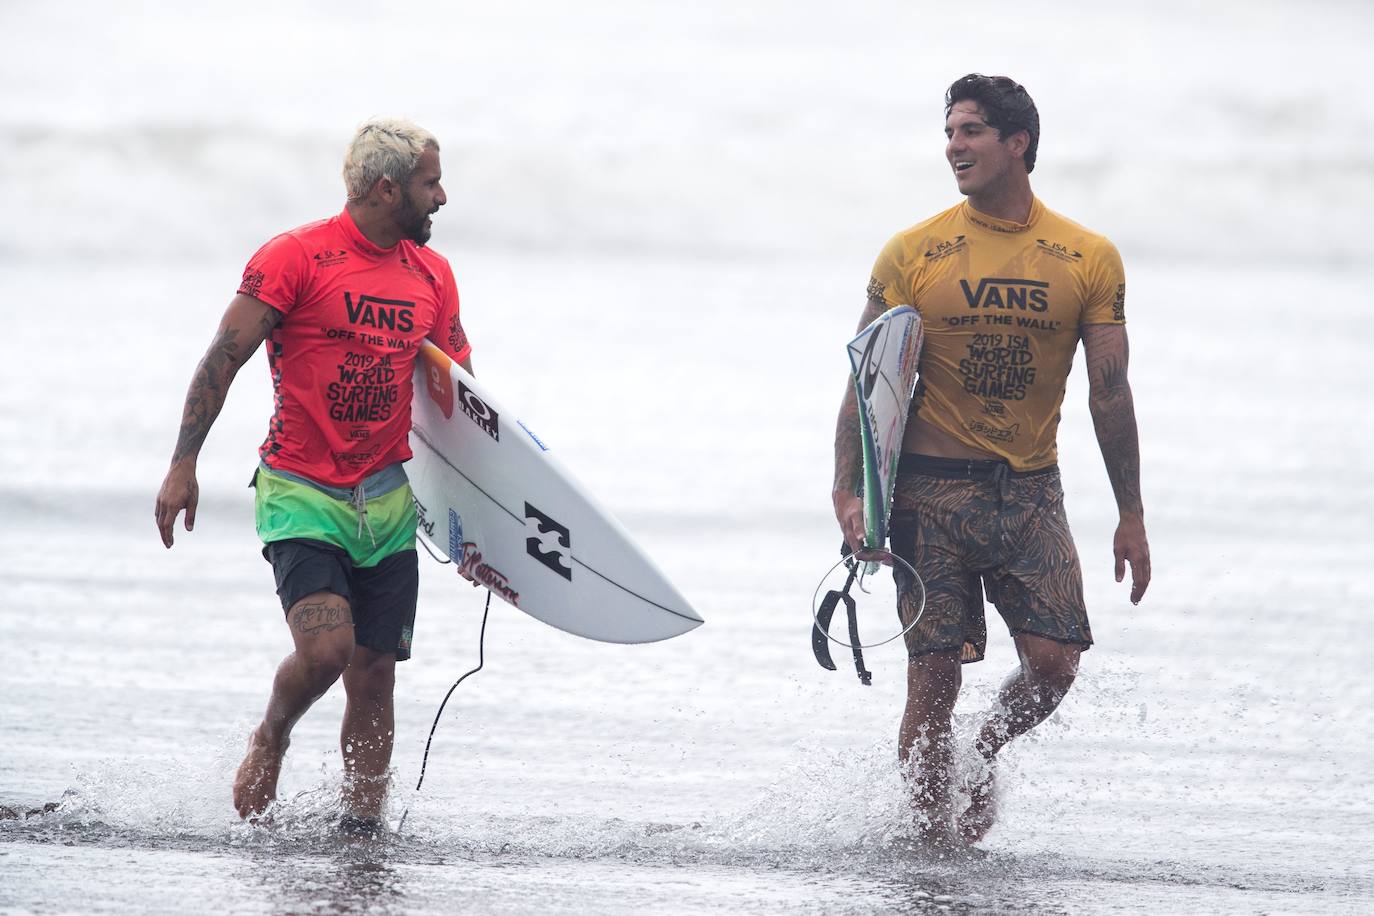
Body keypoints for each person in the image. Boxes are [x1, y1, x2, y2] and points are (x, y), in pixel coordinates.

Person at [831, 74, 1150, 848]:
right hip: (928, 496)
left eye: (970, 131)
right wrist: (849, 494)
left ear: (1019, 143)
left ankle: (984, 748)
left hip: (1029, 494)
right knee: (933, 680)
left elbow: (1110, 392)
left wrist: (1131, 514)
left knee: (1053, 667)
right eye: (949, 132)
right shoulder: (914, 251)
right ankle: (927, 847)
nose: (953, 147)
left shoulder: (1087, 256)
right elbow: (866, 379)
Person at [154, 118, 474, 832]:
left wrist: (482, 525)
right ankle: (271, 734)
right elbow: (221, 358)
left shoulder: (433, 276)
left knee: (375, 674)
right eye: (429, 183)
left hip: (387, 498)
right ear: (389, 188)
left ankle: (361, 831)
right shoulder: (297, 257)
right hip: (301, 488)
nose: (442, 197)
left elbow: (461, 397)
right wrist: (183, 464)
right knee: (327, 651)